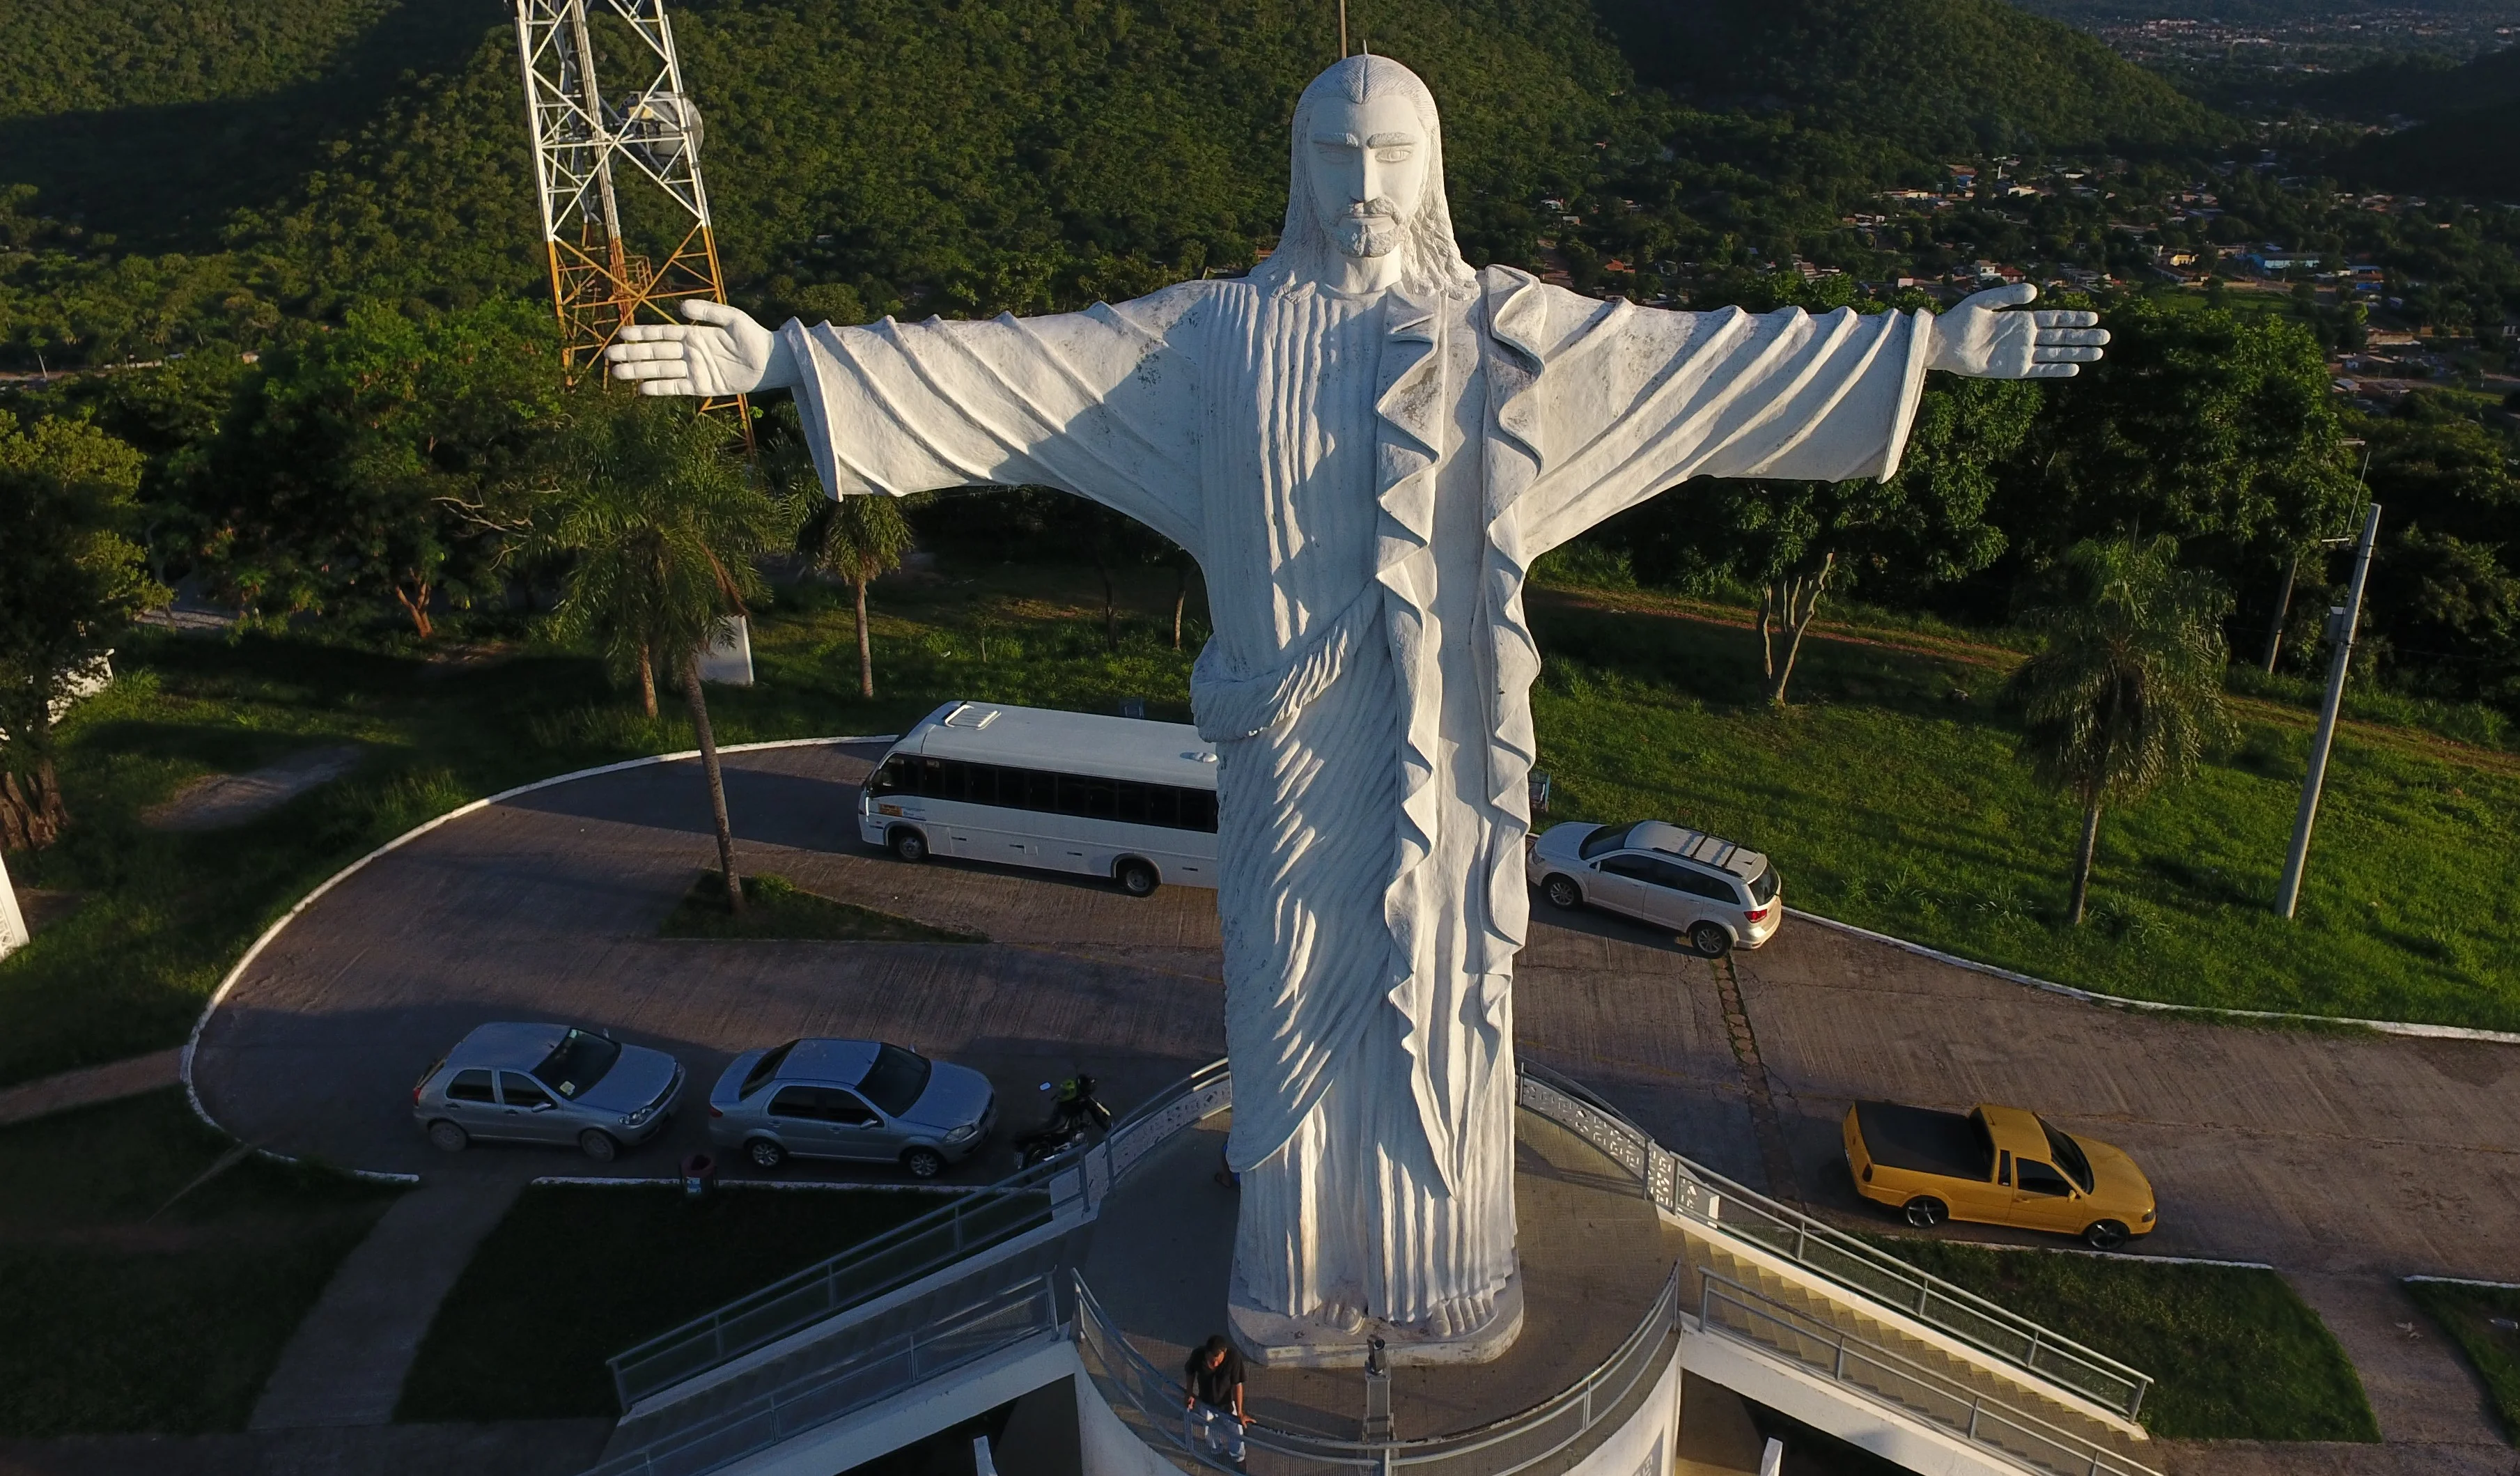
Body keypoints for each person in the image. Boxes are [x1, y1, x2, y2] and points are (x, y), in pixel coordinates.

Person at [605, 53, 2104, 1355]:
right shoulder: (1208, 344)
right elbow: (1013, 372)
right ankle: (1294, 1270)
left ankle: (1446, 1273)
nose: (1365, 185)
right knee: (1284, 1004)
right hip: (1286, 764)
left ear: (1432, 167)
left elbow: (1706, 367)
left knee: (1446, 1011)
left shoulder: (1512, 340)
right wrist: (793, 361)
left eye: (1391, 154)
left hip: (1447, 771)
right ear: (1298, 168)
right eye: (1337, 154)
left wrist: (1920, 347)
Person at [1183, 1334, 1247, 1463]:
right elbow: (1190, 1371)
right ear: (1207, 1353)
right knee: (1209, 1429)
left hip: (1227, 1404)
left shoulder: (1233, 1358)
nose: (1216, 1364)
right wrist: (1189, 1392)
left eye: (1218, 1360)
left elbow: (1238, 1385)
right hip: (1206, 1402)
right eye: (1212, 1361)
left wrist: (1240, 1412)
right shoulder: (1198, 1355)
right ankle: (1216, 1451)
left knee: (1236, 1431)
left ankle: (1238, 1458)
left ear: (1225, 1353)